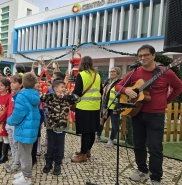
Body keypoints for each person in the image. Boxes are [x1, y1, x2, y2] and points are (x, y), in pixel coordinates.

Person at [115, 45, 182, 185]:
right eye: (140, 56)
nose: (143, 58)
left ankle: (156, 177)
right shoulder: (135, 72)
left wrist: (166, 101)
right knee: (138, 144)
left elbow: (179, 87)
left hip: (155, 115)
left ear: (153, 55)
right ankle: (142, 170)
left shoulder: (165, 72)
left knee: (155, 147)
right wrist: (126, 90)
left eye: (146, 55)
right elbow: (118, 86)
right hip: (137, 113)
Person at [40, 79, 80, 175]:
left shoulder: (67, 98)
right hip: (51, 125)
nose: (64, 89)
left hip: (61, 126)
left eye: (64, 87)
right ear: (55, 88)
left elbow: (78, 99)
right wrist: (54, 94)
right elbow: (41, 97)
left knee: (59, 146)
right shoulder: (50, 97)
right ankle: (48, 163)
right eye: (62, 87)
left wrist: (66, 94)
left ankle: (58, 163)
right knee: (51, 145)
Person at [7, 72, 40, 185]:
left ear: (23, 83)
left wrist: (9, 121)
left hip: (24, 129)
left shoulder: (22, 95)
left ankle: (27, 177)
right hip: (30, 129)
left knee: (24, 154)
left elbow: (18, 114)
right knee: (26, 152)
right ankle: (25, 172)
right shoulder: (34, 94)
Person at [71, 56, 102, 163]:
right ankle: (87, 151)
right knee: (92, 130)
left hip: (84, 106)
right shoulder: (97, 75)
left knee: (85, 132)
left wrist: (70, 99)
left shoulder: (82, 75)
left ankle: (83, 155)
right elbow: (101, 91)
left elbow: (77, 92)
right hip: (95, 106)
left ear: (81, 64)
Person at [96, 67, 122, 147]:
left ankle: (111, 140)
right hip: (105, 106)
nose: (111, 73)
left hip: (114, 106)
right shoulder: (108, 81)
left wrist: (117, 106)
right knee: (101, 122)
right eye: (110, 71)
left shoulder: (120, 82)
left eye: (113, 71)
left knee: (114, 124)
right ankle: (98, 136)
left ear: (118, 73)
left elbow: (120, 95)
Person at [4, 74, 23, 173]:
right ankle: (14, 160)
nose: (12, 84)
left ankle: (17, 162)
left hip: (16, 123)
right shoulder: (11, 95)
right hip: (9, 121)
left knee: (16, 144)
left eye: (14, 82)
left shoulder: (21, 95)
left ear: (21, 84)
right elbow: (8, 109)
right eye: (11, 82)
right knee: (11, 142)